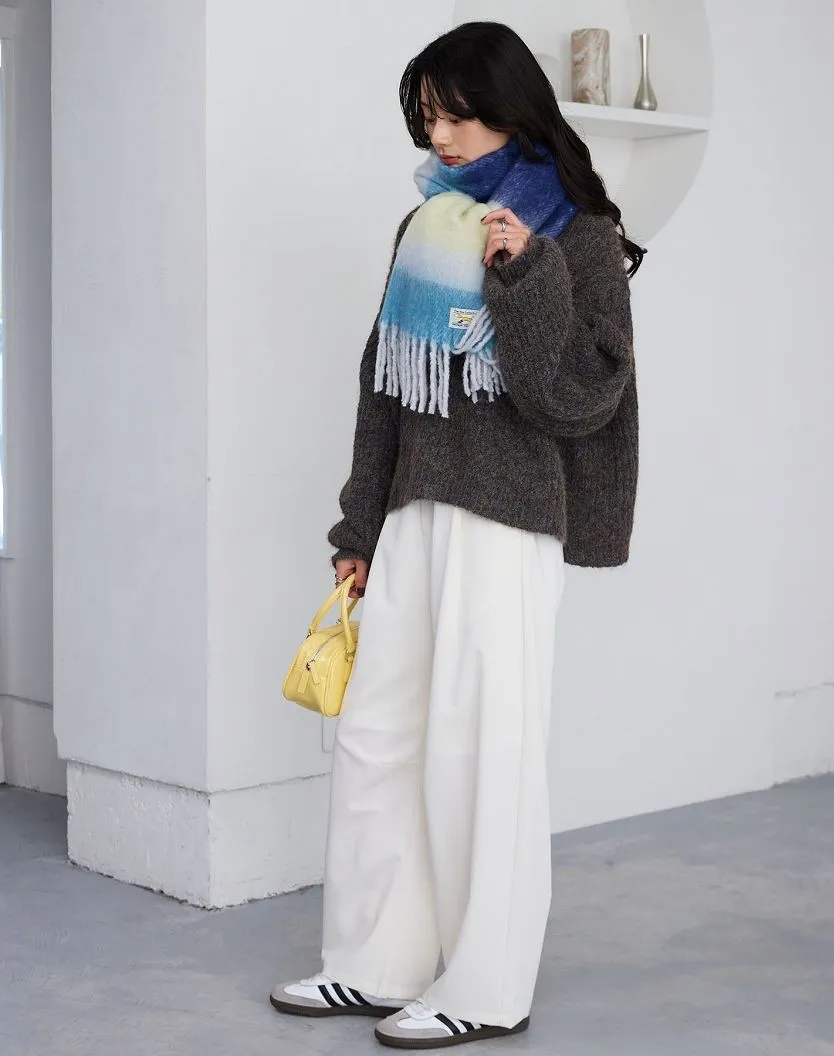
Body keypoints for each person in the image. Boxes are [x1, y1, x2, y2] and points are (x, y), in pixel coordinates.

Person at [271, 20, 641, 1050]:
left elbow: (581, 400)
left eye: (454, 114)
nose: (438, 136)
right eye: (427, 117)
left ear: (509, 109)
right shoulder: (425, 228)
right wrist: (359, 523)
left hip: (509, 523)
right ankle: (374, 962)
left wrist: (524, 277)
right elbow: (383, 388)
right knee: (379, 737)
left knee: (485, 751)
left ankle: (486, 985)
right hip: (413, 514)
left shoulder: (578, 236)